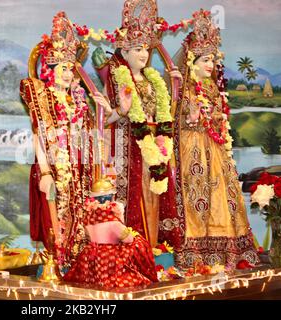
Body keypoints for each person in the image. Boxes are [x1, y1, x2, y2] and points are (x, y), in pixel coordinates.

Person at [171, 10, 259, 269]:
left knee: (222, 194)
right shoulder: (181, 87)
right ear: (192, 61)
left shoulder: (212, 87)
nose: (210, 64)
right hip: (192, 149)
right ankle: (195, 252)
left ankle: (227, 251)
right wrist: (193, 116)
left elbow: (220, 116)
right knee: (195, 195)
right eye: (205, 59)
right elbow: (174, 122)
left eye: (213, 59)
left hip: (216, 148)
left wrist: (216, 118)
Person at [92, 0, 182, 247]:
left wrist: (178, 86)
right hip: (129, 147)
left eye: (146, 50)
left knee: (157, 194)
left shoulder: (154, 79)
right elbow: (106, 120)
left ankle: (157, 248)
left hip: (156, 145)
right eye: (137, 50)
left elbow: (166, 115)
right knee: (136, 199)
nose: (143, 55)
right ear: (124, 52)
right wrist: (122, 108)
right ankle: (136, 248)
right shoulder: (117, 78)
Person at [20, 12, 94, 267]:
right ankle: (58, 265)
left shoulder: (78, 99)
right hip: (54, 167)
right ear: (50, 69)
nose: (68, 73)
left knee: (82, 215)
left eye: (71, 68)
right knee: (56, 220)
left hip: (78, 167)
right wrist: (45, 172)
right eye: (63, 67)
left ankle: (80, 262)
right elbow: (37, 136)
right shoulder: (42, 96)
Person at [63, 179, 158, 289]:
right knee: (138, 243)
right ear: (109, 198)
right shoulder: (112, 221)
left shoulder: (89, 218)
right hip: (109, 259)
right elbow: (128, 239)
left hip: (90, 255)